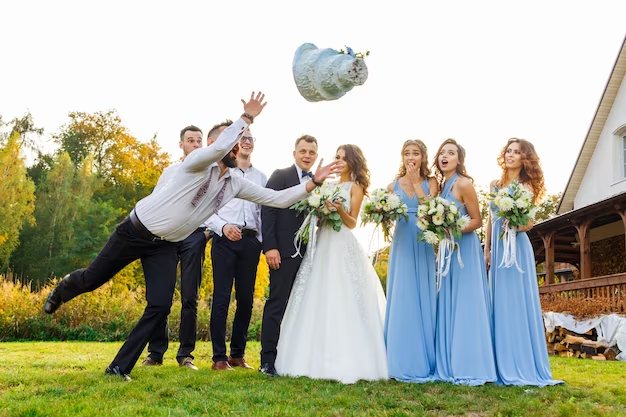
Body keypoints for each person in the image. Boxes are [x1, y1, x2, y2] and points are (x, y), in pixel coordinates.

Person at [43, 92, 343, 381]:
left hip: (165, 246)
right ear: (217, 143)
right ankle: (64, 288)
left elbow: (276, 198)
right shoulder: (197, 162)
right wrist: (247, 117)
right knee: (92, 280)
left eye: (240, 141)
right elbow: (216, 149)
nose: (238, 145)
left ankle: (119, 367)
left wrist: (314, 182)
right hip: (134, 231)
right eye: (233, 140)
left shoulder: (236, 183)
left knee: (159, 305)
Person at [274, 144, 388, 384]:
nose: (339, 161)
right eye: (337, 157)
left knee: (341, 293)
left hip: (341, 243)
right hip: (322, 242)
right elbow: (315, 217)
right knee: (316, 293)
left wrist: (338, 210)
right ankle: (307, 355)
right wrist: (320, 211)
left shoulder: (355, 188)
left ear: (353, 162)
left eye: (343, 159)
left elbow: (352, 222)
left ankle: (345, 357)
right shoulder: (326, 186)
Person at [484, 138, 563, 386]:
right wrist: (486, 249)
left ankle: (519, 361)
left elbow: (528, 223)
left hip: (516, 249)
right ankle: (497, 361)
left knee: (515, 302)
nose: (510, 155)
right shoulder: (494, 184)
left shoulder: (526, 187)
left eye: (516, 152)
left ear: (524, 158)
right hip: (497, 250)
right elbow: (489, 220)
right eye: (508, 151)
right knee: (498, 302)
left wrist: (512, 224)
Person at [140, 125, 210, 371]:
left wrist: (207, 232)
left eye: (199, 140)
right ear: (181, 144)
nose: (195, 144)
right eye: (190, 140)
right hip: (168, 237)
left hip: (194, 236)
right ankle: (156, 353)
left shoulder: (210, 172)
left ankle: (185, 355)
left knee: (190, 296)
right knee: (162, 296)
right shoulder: (169, 172)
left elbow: (217, 203)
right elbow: (156, 201)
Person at [432, 138, 497, 386]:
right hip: (448, 249)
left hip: (464, 250)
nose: (445, 156)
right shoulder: (441, 186)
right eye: (442, 153)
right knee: (449, 301)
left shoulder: (464, 183)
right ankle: (449, 359)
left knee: (466, 302)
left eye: (451, 153)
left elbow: (477, 221)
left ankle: (470, 363)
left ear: (459, 160)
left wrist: (451, 230)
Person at [258, 134, 320, 377]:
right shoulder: (280, 175)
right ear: (294, 153)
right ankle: (267, 361)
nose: (307, 156)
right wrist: (270, 247)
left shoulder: (320, 183)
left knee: (302, 306)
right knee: (277, 304)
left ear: (316, 156)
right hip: (282, 252)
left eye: (311, 152)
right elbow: (268, 209)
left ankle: (293, 359)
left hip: (311, 253)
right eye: (303, 151)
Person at [206, 124, 267, 371]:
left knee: (246, 299)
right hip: (224, 241)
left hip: (250, 242)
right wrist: (222, 227)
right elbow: (206, 209)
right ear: (234, 144)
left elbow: (264, 212)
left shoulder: (261, 178)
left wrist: (261, 241)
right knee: (221, 298)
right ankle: (218, 357)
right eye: (242, 138)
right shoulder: (220, 173)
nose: (246, 141)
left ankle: (237, 355)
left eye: (250, 138)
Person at [384, 140, 438, 382]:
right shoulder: (392, 185)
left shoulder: (432, 182)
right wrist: (381, 215)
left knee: (421, 295)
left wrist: (417, 183)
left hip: (422, 241)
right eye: (407, 153)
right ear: (402, 157)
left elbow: (431, 211)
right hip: (401, 242)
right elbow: (386, 218)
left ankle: (424, 356)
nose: (411, 157)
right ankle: (398, 355)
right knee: (402, 294)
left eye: (415, 153)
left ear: (423, 156)